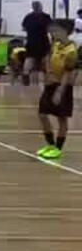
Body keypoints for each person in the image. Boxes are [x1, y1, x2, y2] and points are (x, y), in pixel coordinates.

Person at [37, 19, 78, 160]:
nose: (52, 33)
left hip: (63, 86)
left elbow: (69, 72)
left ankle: (58, 148)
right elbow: (48, 57)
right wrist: (48, 71)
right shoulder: (55, 44)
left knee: (62, 118)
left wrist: (60, 91)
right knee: (42, 114)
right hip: (50, 84)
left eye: (55, 31)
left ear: (65, 31)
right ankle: (50, 145)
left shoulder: (71, 50)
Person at [23, 1, 53, 86]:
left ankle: (26, 82)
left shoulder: (28, 17)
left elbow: (24, 27)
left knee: (28, 64)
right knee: (47, 66)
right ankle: (48, 84)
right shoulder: (46, 17)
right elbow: (50, 29)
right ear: (41, 6)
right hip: (43, 43)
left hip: (32, 43)